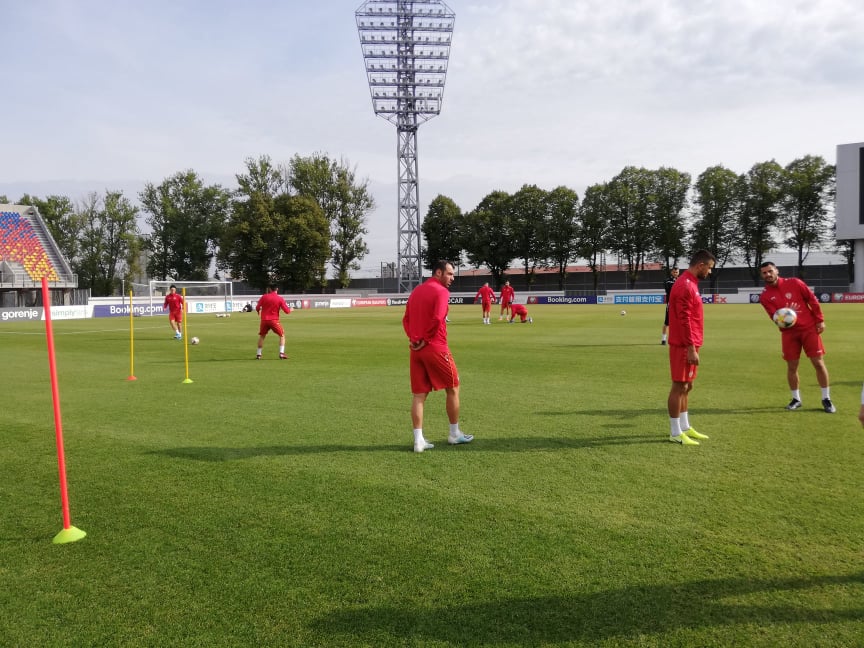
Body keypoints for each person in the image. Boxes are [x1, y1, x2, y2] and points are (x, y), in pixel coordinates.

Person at [403, 260, 473, 453]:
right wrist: (425, 339)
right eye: (449, 274)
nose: (452, 278)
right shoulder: (441, 292)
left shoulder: (416, 291)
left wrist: (414, 339)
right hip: (435, 347)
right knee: (453, 387)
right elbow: (437, 317)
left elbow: (406, 319)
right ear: (438, 273)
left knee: (419, 395)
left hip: (415, 350)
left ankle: (418, 440)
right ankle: (454, 434)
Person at [758, 262, 836, 413]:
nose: (768, 274)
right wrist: (785, 315)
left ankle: (826, 399)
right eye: (764, 273)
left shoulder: (795, 283)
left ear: (776, 271)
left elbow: (812, 300)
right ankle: (796, 399)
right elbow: (774, 317)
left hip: (809, 329)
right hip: (789, 333)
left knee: (818, 363)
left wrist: (820, 320)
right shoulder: (765, 296)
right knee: (792, 366)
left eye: (770, 271)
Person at [666, 250, 715, 446]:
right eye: (709, 268)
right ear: (700, 265)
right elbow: (684, 319)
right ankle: (675, 432)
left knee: (687, 386)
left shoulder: (691, 284)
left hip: (690, 343)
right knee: (679, 386)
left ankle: (685, 427)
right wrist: (691, 347)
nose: (710, 272)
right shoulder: (685, 285)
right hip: (683, 345)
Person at [255, 285, 292, 360]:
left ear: (269, 289)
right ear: (277, 289)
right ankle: (281, 353)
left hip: (264, 320)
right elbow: (287, 311)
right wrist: (291, 309)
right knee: (282, 335)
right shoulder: (279, 298)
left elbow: (257, 307)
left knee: (262, 336)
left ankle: (258, 354)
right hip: (274, 320)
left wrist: (258, 311)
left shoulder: (264, 297)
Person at [660, 267, 680, 345]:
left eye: (677, 272)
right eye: (674, 272)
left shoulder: (681, 280)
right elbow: (669, 290)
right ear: (672, 272)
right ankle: (663, 339)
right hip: (671, 304)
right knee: (667, 322)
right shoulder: (667, 281)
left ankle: (678, 339)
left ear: (678, 272)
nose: (675, 273)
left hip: (679, 304)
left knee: (680, 322)